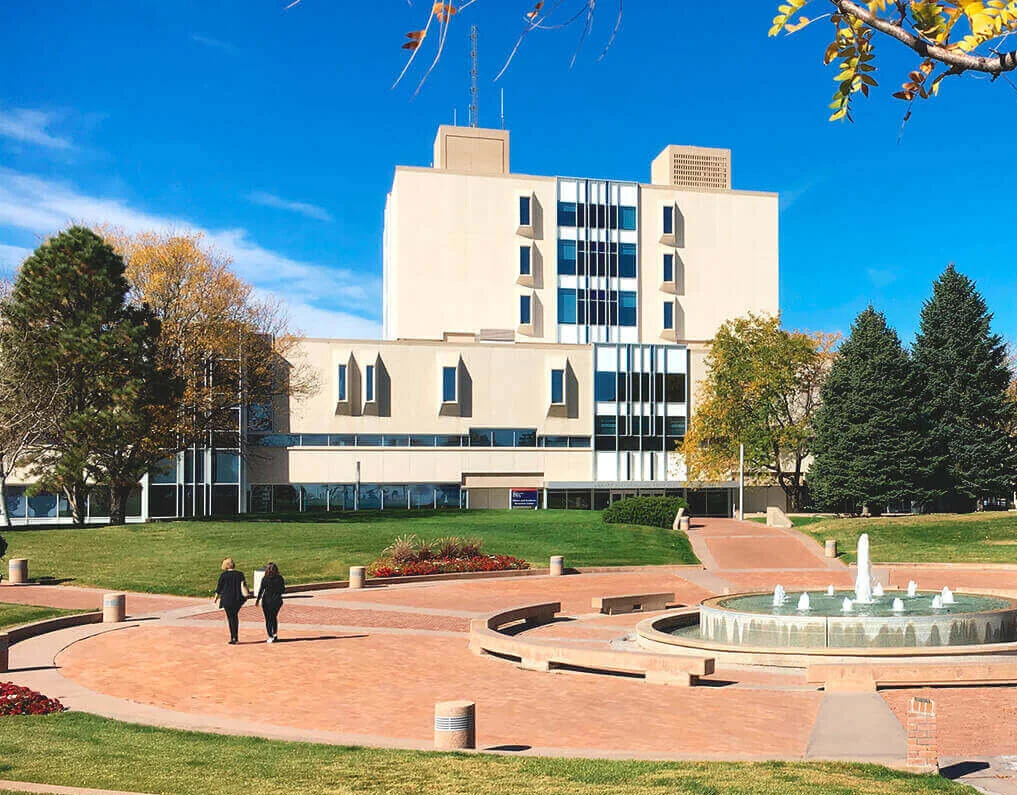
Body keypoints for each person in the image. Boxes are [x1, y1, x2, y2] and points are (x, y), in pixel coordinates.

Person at [214, 557, 250, 645]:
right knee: (235, 616)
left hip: (227, 599)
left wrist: (215, 598)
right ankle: (236, 636)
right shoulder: (240, 574)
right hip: (238, 599)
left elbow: (219, 588)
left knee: (230, 618)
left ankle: (233, 637)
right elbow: (243, 585)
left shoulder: (224, 575)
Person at [255, 561, 286, 643]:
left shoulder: (265, 579)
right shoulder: (280, 578)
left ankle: (270, 636)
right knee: (274, 617)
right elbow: (283, 590)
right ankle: (275, 633)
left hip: (267, 600)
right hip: (277, 600)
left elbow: (261, 590)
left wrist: (257, 600)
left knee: (268, 619)